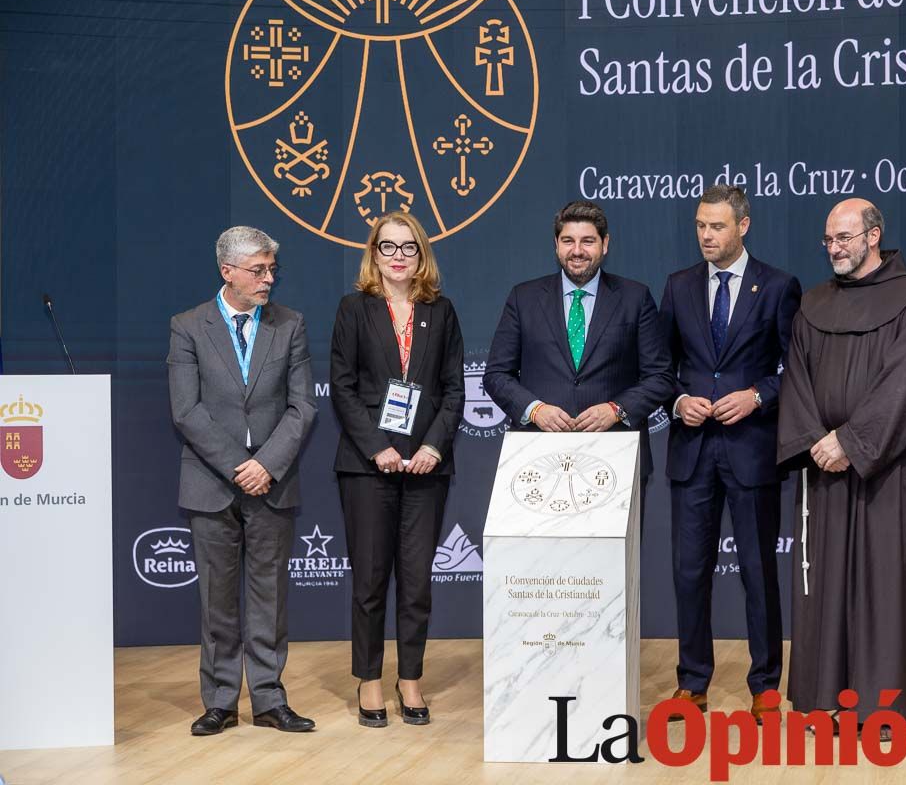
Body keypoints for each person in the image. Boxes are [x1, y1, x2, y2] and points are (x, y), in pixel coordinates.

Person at [777, 199, 906, 736]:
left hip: (884, 469)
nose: (834, 248)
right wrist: (816, 441)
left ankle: (883, 708)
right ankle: (825, 700)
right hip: (823, 469)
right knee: (822, 587)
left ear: (873, 236)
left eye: (845, 238)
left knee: (884, 585)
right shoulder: (813, 303)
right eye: (828, 240)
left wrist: (853, 441)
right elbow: (796, 381)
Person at [658, 185, 801, 723]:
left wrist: (759, 395)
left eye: (716, 227)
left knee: (759, 571)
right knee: (688, 571)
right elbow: (660, 367)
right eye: (700, 226)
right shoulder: (678, 286)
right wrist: (678, 400)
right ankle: (692, 683)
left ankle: (765, 684)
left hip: (752, 448)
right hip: (692, 450)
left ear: (743, 226)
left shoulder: (780, 286)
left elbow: (796, 369)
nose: (706, 236)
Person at [167, 226, 317, 735]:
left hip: (272, 479)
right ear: (227, 271)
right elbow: (186, 412)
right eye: (258, 270)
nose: (268, 279)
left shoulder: (290, 324)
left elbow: (302, 406)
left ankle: (271, 700)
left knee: (269, 598)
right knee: (217, 600)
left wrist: (267, 465)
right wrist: (239, 466)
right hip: (213, 481)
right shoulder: (188, 326)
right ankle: (221, 702)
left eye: (272, 269)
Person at [330, 211, 465, 728]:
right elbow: (342, 386)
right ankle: (369, 679)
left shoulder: (441, 311)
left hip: (427, 466)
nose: (399, 257)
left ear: (422, 254)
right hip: (369, 468)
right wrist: (376, 448)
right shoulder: (353, 309)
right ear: (374, 254)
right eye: (388, 247)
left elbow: (454, 389)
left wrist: (432, 446)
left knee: (416, 583)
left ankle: (410, 677)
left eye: (409, 248)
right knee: (369, 581)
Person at [483, 200, 673, 500]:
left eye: (588, 241)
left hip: (616, 456)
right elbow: (496, 374)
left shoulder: (635, 298)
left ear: (605, 244)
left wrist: (616, 409)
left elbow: (660, 376)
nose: (577, 251)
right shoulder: (524, 298)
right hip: (538, 457)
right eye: (568, 241)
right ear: (556, 245)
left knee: (614, 549)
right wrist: (536, 410)